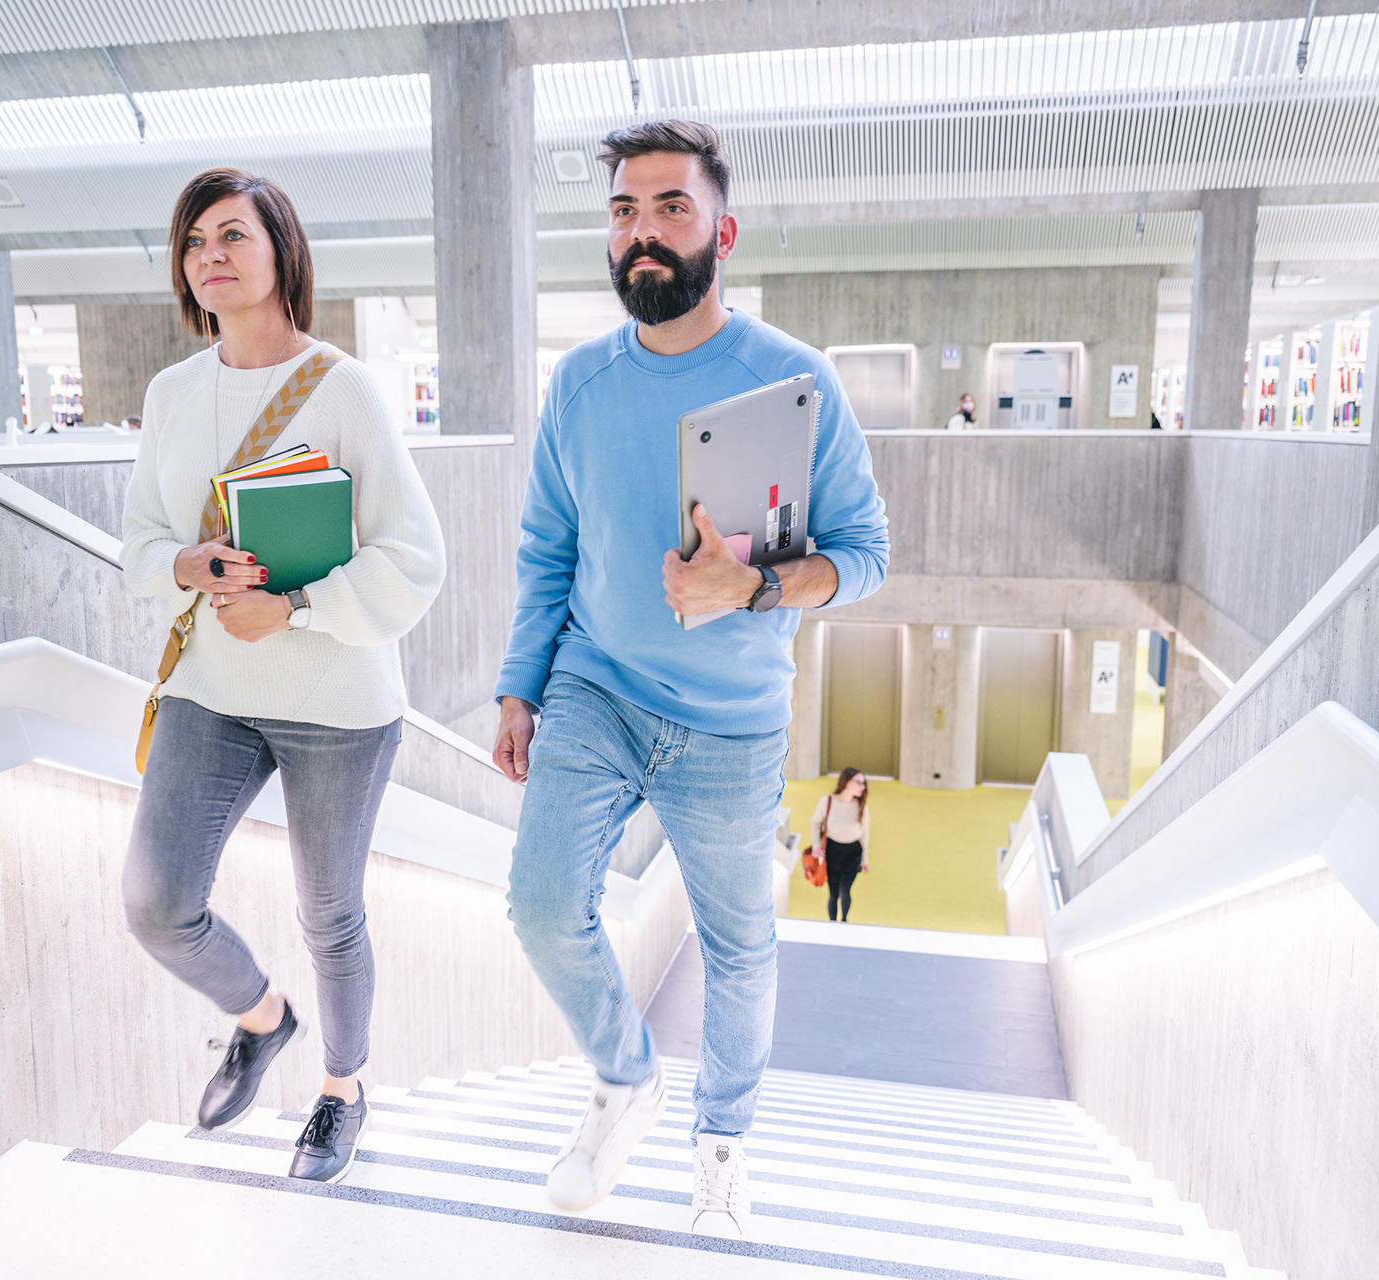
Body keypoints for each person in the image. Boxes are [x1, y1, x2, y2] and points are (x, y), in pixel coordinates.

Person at [493, 119, 889, 1239]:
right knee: (539, 903)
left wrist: (753, 588)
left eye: (671, 208)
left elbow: (865, 555)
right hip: (596, 688)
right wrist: (520, 687)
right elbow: (548, 549)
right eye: (625, 210)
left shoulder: (794, 383)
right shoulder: (578, 383)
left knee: (739, 948)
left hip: (731, 724)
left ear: (723, 230)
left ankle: (722, 1143)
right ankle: (627, 1078)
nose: (644, 232)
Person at [119, 167, 445, 1185]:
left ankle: (343, 1088)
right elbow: (139, 542)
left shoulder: (344, 389)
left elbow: (415, 557)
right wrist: (187, 563)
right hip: (210, 689)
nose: (209, 256)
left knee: (328, 913)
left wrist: (293, 607)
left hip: (336, 701)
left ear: (280, 252)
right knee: (156, 900)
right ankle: (263, 1018)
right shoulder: (171, 395)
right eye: (193, 241)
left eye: (232, 235)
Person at [810, 768, 870, 922]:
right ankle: (832, 923)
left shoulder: (862, 806)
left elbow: (865, 834)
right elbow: (815, 823)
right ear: (847, 782)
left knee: (845, 890)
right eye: (858, 782)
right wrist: (816, 845)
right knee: (833, 893)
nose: (863, 787)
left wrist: (865, 860)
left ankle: (844, 921)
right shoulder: (827, 802)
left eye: (863, 783)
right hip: (832, 852)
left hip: (853, 853)